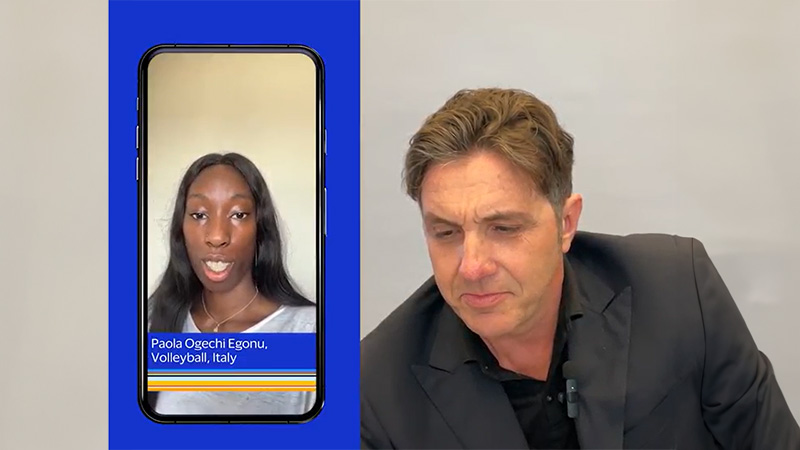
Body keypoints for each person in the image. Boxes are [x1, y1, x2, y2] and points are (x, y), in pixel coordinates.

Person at [360, 88, 800, 449]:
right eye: (446, 233)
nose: (472, 267)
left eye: (504, 228)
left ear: (565, 223)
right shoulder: (374, 391)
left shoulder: (679, 291)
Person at [146, 152, 316, 416]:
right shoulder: (151, 321)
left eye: (238, 214)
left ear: (260, 227)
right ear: (181, 228)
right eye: (199, 214)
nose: (216, 236)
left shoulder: (310, 332)